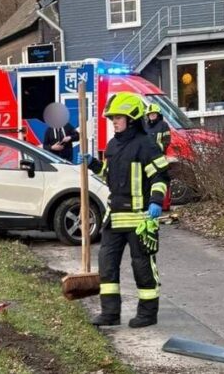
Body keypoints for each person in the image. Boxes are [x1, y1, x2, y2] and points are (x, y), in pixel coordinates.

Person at [82, 92, 170, 329]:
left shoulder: (146, 145)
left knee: (142, 267)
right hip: (116, 216)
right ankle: (110, 313)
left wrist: (156, 201)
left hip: (141, 217)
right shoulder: (112, 145)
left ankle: (148, 314)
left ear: (132, 118)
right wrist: (92, 164)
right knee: (107, 264)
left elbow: (160, 176)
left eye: (118, 118)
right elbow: (109, 176)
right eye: (112, 119)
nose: (114, 122)